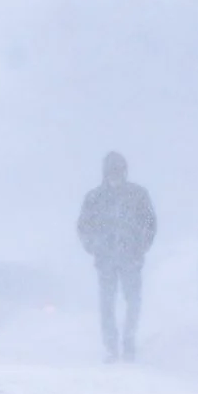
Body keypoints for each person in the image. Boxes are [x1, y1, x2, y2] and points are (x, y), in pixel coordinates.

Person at [75, 151, 157, 362]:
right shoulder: (94, 198)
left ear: (125, 171)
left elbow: (150, 224)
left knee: (133, 301)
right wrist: (93, 246)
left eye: (119, 170)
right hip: (106, 260)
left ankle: (129, 339)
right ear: (105, 173)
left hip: (131, 258)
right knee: (107, 302)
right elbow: (83, 227)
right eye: (112, 171)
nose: (116, 175)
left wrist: (141, 247)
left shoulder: (138, 195)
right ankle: (111, 344)